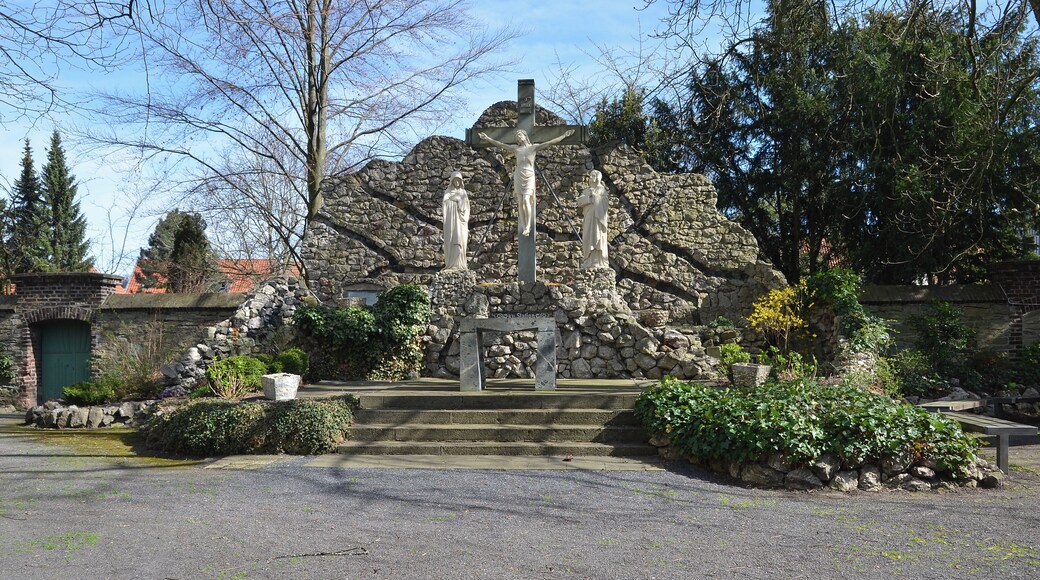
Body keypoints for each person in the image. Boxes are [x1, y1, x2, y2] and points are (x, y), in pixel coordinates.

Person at [478, 128, 574, 236]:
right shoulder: (516, 149)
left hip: (529, 175)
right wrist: (488, 138)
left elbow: (550, 142)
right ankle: (524, 226)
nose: (518, 137)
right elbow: (501, 145)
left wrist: (564, 136)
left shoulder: (533, 147)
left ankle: (528, 226)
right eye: (517, 137)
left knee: (526, 200)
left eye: (520, 135)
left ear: (525, 135)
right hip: (519, 175)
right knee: (520, 202)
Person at [577, 169, 609, 269]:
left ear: (598, 178)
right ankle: (588, 260)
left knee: (598, 236)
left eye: (593, 176)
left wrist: (594, 197)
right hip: (588, 217)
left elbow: (605, 203)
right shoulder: (586, 191)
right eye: (590, 176)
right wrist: (589, 198)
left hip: (598, 219)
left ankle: (598, 261)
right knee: (588, 237)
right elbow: (579, 202)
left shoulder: (602, 190)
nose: (590, 178)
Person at [442, 171, 470, 270]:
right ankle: (451, 263)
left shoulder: (463, 193)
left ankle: (460, 264)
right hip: (451, 221)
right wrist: (453, 201)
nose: (457, 182)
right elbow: (445, 205)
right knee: (451, 239)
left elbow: (466, 208)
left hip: (460, 221)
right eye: (455, 180)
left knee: (461, 239)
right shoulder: (448, 192)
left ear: (461, 181)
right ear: (452, 181)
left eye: (459, 180)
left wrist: (459, 201)